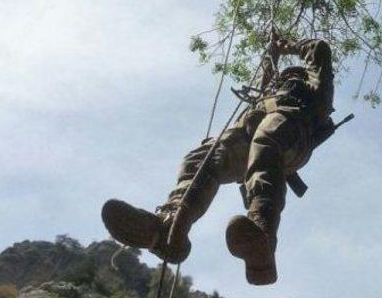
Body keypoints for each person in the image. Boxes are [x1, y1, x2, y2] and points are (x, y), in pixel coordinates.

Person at [101, 36, 334, 285]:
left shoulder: (313, 92)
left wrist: (290, 47)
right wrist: (273, 54)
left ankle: (262, 236)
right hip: (249, 138)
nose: (285, 80)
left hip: (290, 137)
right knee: (202, 157)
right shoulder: (265, 97)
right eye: (282, 78)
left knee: (266, 138)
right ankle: (169, 226)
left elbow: (318, 50)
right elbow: (263, 78)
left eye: (290, 77)